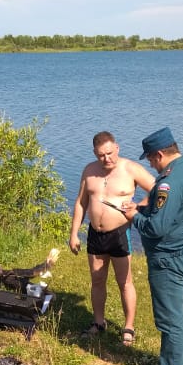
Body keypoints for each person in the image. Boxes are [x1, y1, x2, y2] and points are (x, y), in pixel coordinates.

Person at [120, 127, 183, 365]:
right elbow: (171, 211)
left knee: (169, 320)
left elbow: (157, 227)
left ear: (159, 154)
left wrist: (134, 216)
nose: (151, 165)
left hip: (168, 259)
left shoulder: (169, 182)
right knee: (179, 315)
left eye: (150, 159)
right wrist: (142, 207)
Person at [69, 131, 156, 345]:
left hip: (119, 234)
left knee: (124, 282)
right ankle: (99, 322)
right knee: (97, 280)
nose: (106, 158)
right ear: (95, 153)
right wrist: (74, 233)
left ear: (117, 148)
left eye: (109, 153)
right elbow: (81, 203)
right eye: (101, 155)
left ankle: (129, 327)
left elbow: (158, 190)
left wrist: (138, 207)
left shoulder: (130, 169)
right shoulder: (89, 171)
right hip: (95, 234)